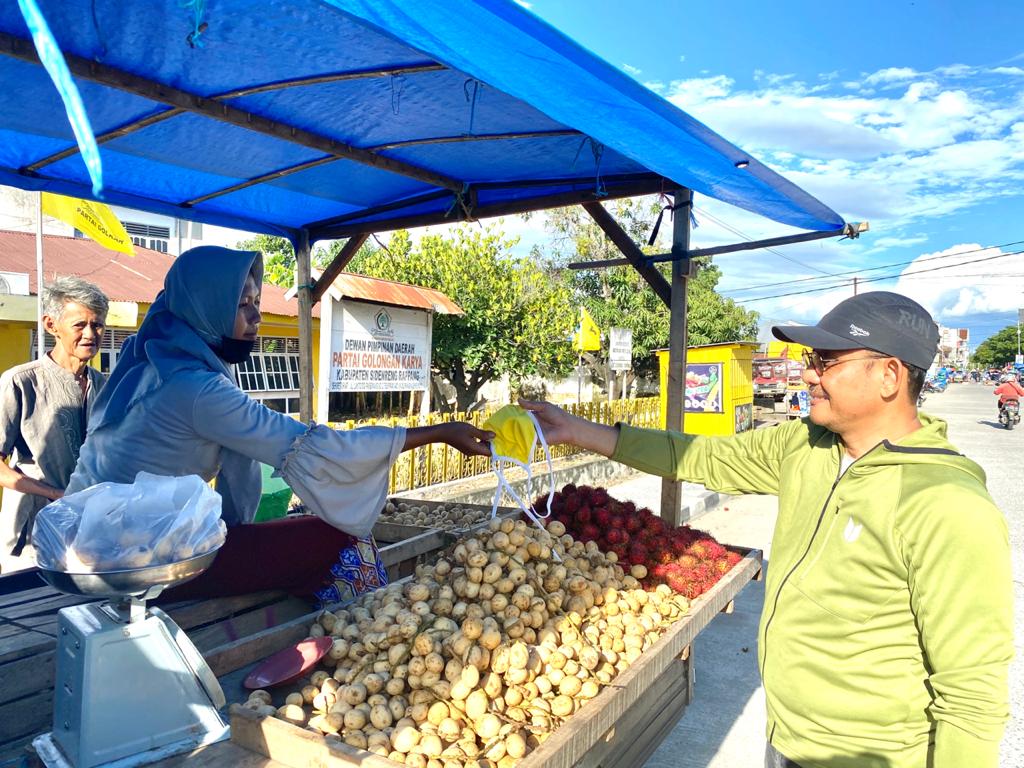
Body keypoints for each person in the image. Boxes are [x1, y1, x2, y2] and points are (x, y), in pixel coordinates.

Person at [522, 291, 1013, 768]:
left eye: (825, 361)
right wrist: (575, 429)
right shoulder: (807, 445)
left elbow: (971, 696)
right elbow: (698, 456)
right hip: (786, 737)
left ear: (889, 375)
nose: (808, 373)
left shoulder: (948, 505)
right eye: (810, 358)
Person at [63, 246, 492, 597]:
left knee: (281, 536)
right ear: (205, 308)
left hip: (86, 543)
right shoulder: (193, 387)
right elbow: (316, 447)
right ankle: (360, 632)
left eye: (256, 303)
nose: (256, 317)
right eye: (242, 305)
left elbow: (241, 462)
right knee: (343, 537)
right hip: (131, 565)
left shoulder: (149, 355)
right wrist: (438, 432)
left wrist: (239, 535)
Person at [0, 277, 108, 573]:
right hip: (31, 536)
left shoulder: (106, 386)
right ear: (51, 325)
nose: (90, 334)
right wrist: (56, 495)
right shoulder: (21, 382)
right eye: (79, 325)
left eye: (97, 325)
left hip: (89, 534)